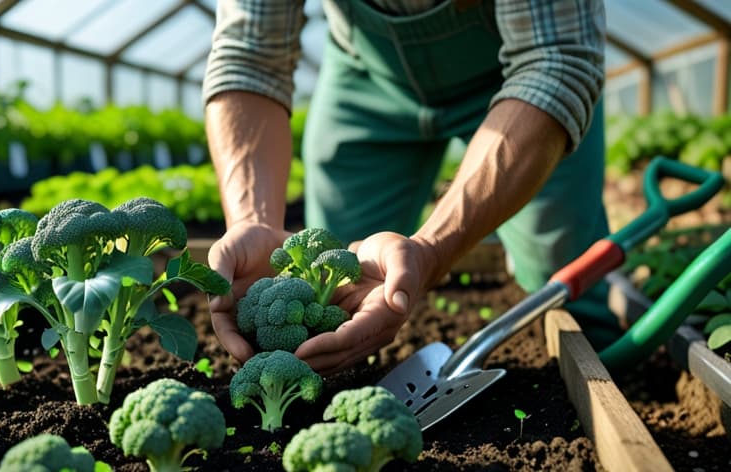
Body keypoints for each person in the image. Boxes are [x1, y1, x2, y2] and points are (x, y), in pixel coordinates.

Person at [202, 0, 618, 375]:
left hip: (520, 77)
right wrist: (252, 221)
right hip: (366, 72)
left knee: (560, 272)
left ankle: (607, 382)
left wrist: (431, 251)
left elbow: (555, 60)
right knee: (339, 291)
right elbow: (249, 56)